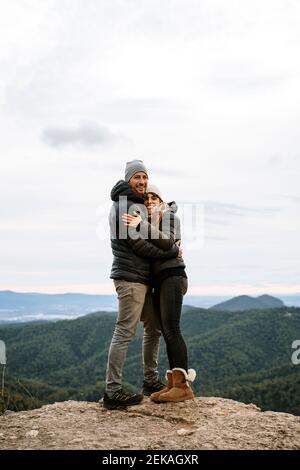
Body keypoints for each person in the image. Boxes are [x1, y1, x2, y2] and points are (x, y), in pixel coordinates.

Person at [103, 161, 180, 410]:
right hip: (130, 277)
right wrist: (171, 254)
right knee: (125, 331)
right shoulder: (127, 204)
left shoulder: (132, 202)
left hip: (140, 278)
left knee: (154, 327)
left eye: (145, 177)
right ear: (128, 179)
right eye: (137, 177)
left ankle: (149, 381)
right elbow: (138, 244)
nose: (142, 182)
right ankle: (113, 391)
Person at [123, 184, 196, 402]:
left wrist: (141, 225)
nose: (149, 201)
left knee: (172, 329)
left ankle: (183, 388)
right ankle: (174, 382)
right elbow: (157, 248)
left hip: (173, 276)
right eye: (146, 199)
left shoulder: (169, 217)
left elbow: (166, 242)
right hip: (161, 280)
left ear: (162, 200)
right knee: (166, 330)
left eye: (154, 197)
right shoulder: (148, 223)